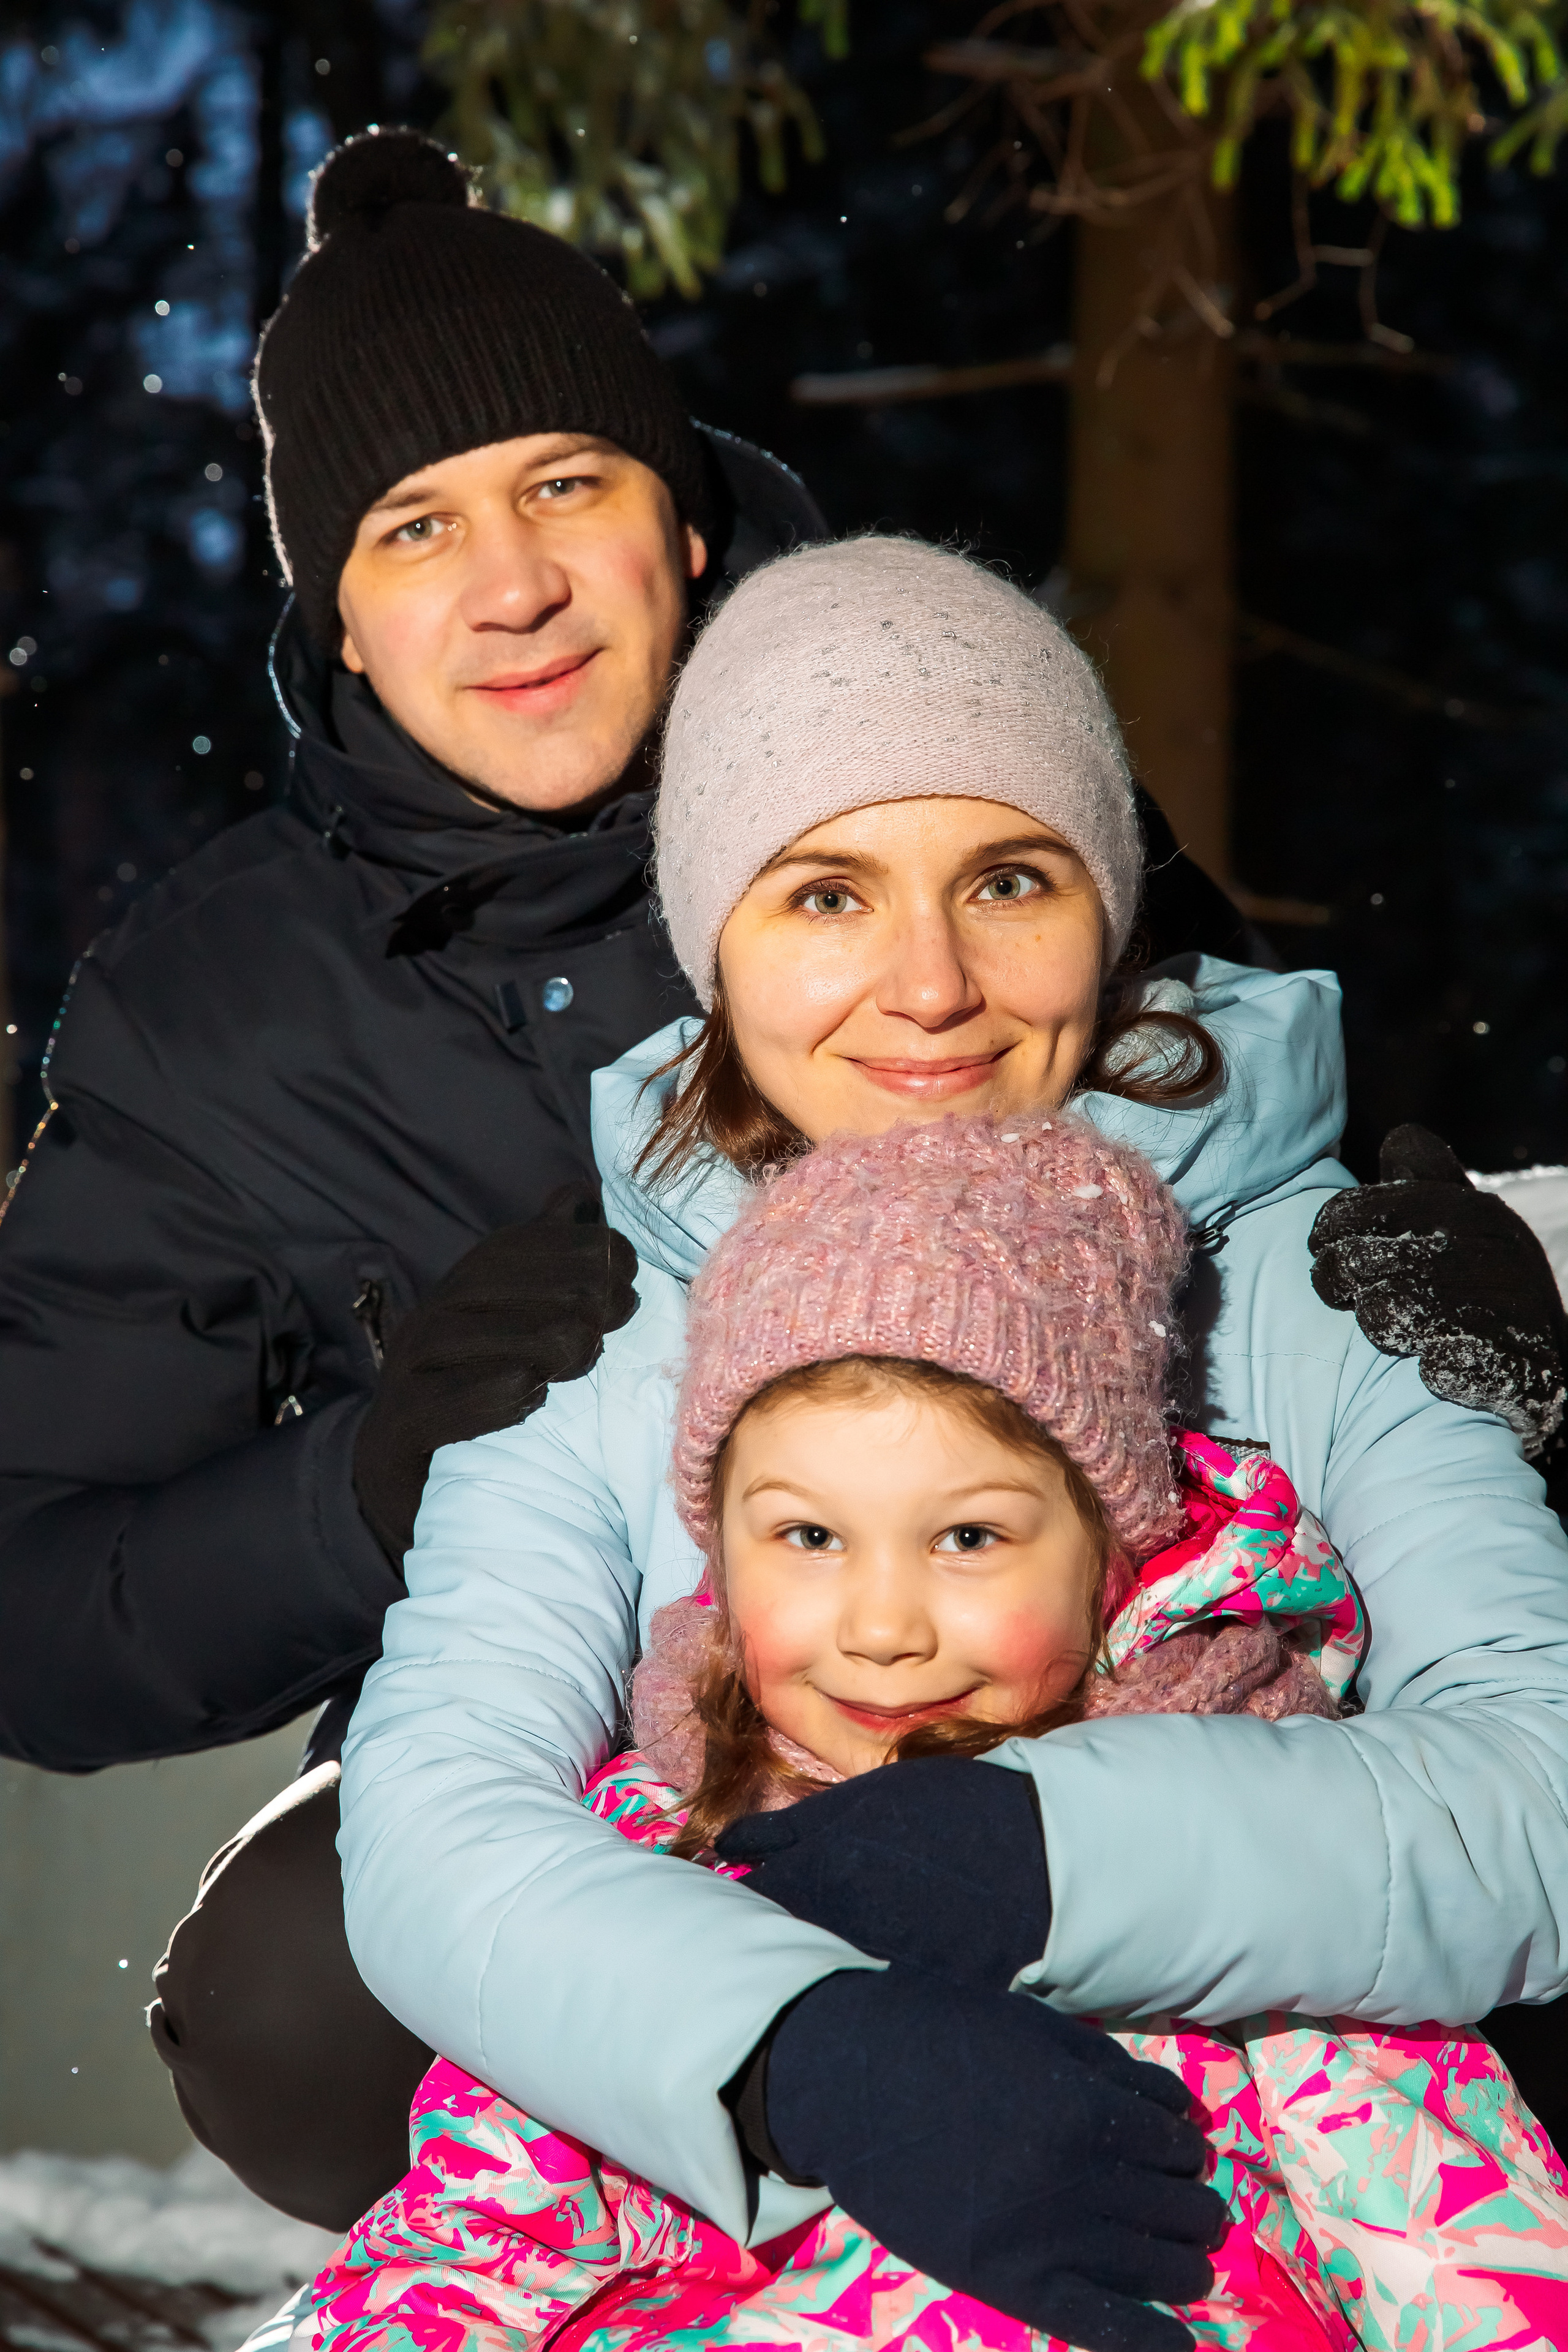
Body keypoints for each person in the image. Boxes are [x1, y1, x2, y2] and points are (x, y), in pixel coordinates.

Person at [337, 535, 1568, 2340]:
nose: (930, 987)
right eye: (824, 894)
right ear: (715, 939)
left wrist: (1050, 1854)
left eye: (1006, 879)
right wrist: (786, 2047)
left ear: (1112, 904)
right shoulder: (606, 1326)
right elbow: (442, 1819)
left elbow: (1541, 1791)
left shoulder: (1310, 1289)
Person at [0, 124, 827, 2229]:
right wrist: (366, 1481)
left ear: (688, 526)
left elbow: (1225, 1107)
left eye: (569, 485)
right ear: (342, 623)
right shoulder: (216, 1008)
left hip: (1047, 1645)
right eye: (413, 527)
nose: (513, 584)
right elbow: (33, 1607)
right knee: (282, 2005)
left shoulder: (928, 758)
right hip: (549, 1746)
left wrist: (1412, 1248)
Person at [292, 1115, 1568, 2352]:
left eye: (967, 1537)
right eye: (806, 1537)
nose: (884, 1626)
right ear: (718, 1557)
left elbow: (1453, 2240)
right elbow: (473, 2242)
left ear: (1107, 1560)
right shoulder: (650, 1859)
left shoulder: (1267, 1899)